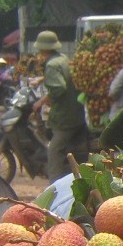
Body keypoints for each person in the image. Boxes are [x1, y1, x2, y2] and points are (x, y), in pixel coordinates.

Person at [31, 30, 86, 177]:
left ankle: (54, 186)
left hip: (65, 116)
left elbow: (59, 87)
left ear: (41, 49)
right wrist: (42, 80)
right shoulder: (62, 58)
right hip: (76, 112)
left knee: (54, 150)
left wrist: (41, 102)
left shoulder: (51, 65)